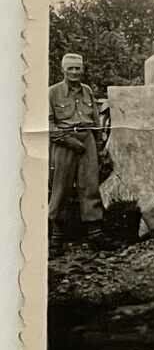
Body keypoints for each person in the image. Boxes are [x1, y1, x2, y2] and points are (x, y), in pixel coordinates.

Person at [48, 52, 104, 247]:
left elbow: (96, 121)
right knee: (60, 187)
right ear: (63, 70)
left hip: (87, 139)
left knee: (90, 185)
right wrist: (69, 141)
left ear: (82, 70)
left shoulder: (87, 91)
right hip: (64, 142)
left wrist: (97, 146)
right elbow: (48, 125)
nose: (74, 72)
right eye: (70, 68)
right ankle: (56, 237)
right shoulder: (52, 92)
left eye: (77, 68)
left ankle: (95, 234)